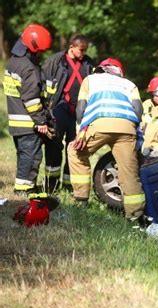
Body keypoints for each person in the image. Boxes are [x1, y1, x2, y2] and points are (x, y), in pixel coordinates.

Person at [68, 57, 146, 220]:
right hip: (126, 127)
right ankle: (135, 216)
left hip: (100, 123)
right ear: (119, 72)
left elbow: (81, 108)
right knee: (128, 171)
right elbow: (138, 110)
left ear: (101, 69)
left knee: (75, 152)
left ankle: (81, 200)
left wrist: (80, 131)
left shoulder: (90, 80)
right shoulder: (129, 84)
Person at [3, 24, 53, 194]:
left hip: (16, 122)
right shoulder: (29, 67)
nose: (40, 54)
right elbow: (31, 99)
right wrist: (41, 121)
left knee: (24, 156)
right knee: (31, 158)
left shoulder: (13, 62)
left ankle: (22, 187)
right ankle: (24, 190)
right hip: (29, 122)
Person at [42, 34, 95, 192]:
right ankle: (51, 184)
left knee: (75, 148)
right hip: (58, 108)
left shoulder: (89, 63)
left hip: (79, 112)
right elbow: (43, 84)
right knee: (53, 146)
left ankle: (68, 184)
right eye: (81, 49)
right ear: (72, 47)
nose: (84, 53)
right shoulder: (55, 61)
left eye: (86, 50)